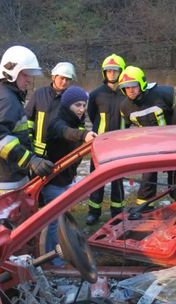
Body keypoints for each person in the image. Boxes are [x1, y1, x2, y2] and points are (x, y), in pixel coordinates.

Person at [0, 45, 54, 194]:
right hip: (1, 183)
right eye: (25, 74)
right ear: (12, 72)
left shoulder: (1, 94)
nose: (29, 80)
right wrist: (30, 160)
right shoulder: (6, 99)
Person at [44, 86, 97, 265]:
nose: (82, 109)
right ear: (67, 105)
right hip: (53, 182)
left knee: (60, 221)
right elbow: (66, 133)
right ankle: (53, 262)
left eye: (84, 105)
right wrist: (84, 135)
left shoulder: (75, 121)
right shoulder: (58, 122)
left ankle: (57, 256)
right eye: (77, 105)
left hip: (64, 179)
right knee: (54, 224)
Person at [119, 66, 174, 205]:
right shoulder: (125, 107)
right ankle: (144, 208)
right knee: (147, 179)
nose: (130, 90)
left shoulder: (164, 94)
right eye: (126, 87)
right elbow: (123, 130)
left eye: (133, 86)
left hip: (172, 144)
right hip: (149, 148)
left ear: (141, 84)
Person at [86, 54, 127, 225]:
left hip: (121, 144)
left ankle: (117, 213)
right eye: (108, 71)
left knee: (118, 180)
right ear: (104, 73)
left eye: (115, 70)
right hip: (100, 145)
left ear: (121, 71)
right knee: (97, 179)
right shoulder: (96, 94)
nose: (111, 73)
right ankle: (94, 212)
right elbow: (91, 113)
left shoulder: (126, 92)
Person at [25, 62, 76, 157]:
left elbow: (79, 124)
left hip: (63, 155)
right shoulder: (39, 94)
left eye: (68, 79)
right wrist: (29, 140)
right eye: (62, 78)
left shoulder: (72, 98)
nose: (64, 82)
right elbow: (28, 120)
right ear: (53, 77)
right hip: (39, 154)